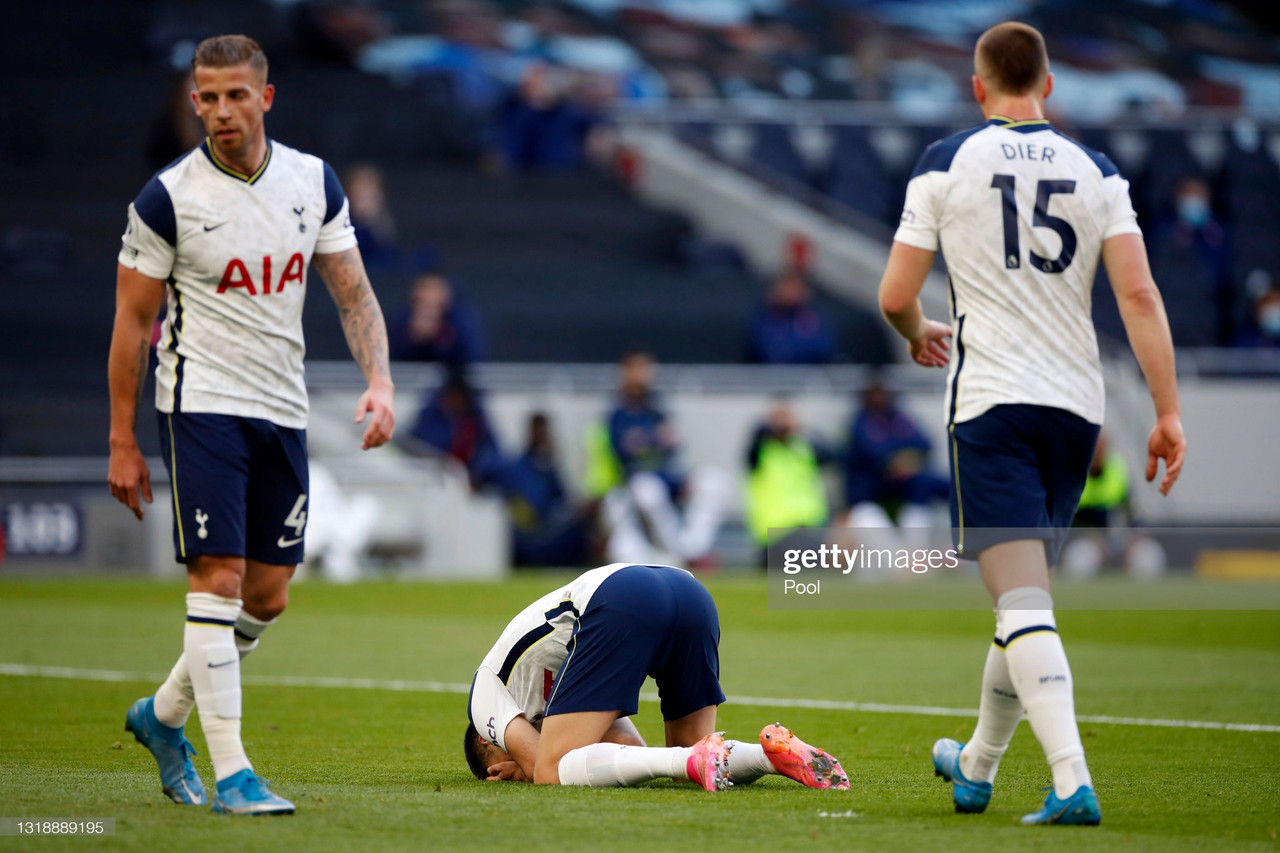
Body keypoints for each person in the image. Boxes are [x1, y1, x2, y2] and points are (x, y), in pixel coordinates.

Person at [877, 22, 1185, 826]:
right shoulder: (1100, 171)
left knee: (1021, 606)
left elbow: (893, 293)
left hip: (994, 406)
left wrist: (916, 332)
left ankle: (1071, 780)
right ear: (1048, 85)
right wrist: (1167, 411)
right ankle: (975, 766)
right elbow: (1142, 297)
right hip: (1074, 413)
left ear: (978, 88)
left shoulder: (947, 161)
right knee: (1025, 599)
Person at [108, 35, 396, 816]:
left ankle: (162, 717)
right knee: (220, 579)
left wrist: (379, 382)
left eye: (237, 95)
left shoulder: (312, 181)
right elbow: (132, 325)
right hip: (200, 403)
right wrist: (123, 439)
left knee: (266, 597)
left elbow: (354, 294)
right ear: (193, 103)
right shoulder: (167, 199)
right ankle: (234, 772)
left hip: (283, 408)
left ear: (265, 99)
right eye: (208, 97)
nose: (222, 110)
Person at [464, 563, 849, 791]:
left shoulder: (485, 693)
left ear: (487, 738)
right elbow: (636, 751)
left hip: (621, 597)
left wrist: (524, 764)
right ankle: (771, 756)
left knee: (551, 770)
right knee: (690, 758)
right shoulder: (555, 697)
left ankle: (760, 756)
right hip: (689, 593)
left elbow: (538, 765)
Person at [601, 351, 727, 566]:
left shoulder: (657, 408)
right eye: (638, 369)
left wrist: (646, 441)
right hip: (635, 481)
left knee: (715, 481)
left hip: (668, 476)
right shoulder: (617, 413)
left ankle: (693, 548)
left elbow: (672, 446)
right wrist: (654, 440)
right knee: (647, 490)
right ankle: (680, 554)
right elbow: (625, 452)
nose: (644, 375)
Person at [842, 381, 948, 532]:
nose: (879, 398)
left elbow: (924, 443)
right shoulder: (860, 422)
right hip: (874, 484)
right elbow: (871, 452)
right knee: (867, 514)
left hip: (906, 481)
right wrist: (895, 460)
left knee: (935, 483)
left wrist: (908, 458)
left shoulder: (898, 418)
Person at [743, 398, 831, 560]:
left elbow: (831, 454)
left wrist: (801, 430)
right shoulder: (761, 450)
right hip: (776, 532)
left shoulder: (803, 448)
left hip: (809, 527)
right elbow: (755, 440)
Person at [503, 412, 590, 567]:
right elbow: (534, 503)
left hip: (552, 522)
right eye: (539, 430)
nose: (543, 435)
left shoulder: (548, 465)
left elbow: (561, 496)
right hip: (535, 530)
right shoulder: (519, 465)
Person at [404, 369, 504, 490]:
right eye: (451, 396)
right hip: (436, 478)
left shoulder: (477, 420)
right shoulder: (430, 418)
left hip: (470, 479)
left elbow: (492, 450)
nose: (455, 401)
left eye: (459, 397)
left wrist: (477, 471)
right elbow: (420, 446)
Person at [388, 269, 486, 366]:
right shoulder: (402, 320)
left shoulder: (461, 321)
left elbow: (473, 359)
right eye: (425, 288)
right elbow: (390, 361)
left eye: (435, 289)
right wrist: (414, 339)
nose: (429, 295)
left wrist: (439, 337)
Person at [744, 269, 838, 365]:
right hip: (771, 376)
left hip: (811, 375)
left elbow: (824, 349)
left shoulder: (813, 317)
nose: (791, 292)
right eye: (786, 287)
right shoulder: (764, 318)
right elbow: (769, 351)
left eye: (795, 288)